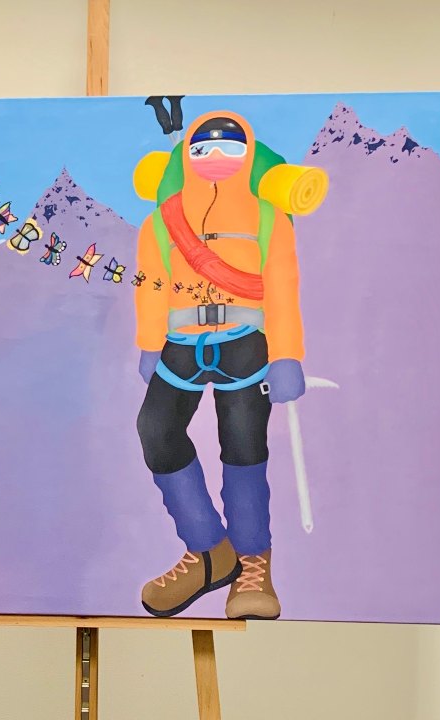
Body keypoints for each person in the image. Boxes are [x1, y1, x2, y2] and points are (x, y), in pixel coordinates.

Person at [134, 110, 305, 620]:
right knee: (156, 431)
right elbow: (151, 284)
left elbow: (282, 288)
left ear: (249, 154)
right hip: (180, 345)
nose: (215, 158)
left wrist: (288, 355)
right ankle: (210, 552)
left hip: (248, 346)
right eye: (202, 148)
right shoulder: (161, 220)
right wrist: (148, 344)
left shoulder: (269, 217)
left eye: (229, 147)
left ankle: (253, 562)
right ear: (186, 156)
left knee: (245, 447)